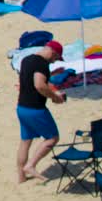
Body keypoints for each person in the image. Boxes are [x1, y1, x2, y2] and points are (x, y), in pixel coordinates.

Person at [15, 39, 66, 183]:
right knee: (52, 138)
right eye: (55, 58)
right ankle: (30, 165)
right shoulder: (42, 64)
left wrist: (52, 91)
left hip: (22, 107)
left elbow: (31, 81)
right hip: (35, 109)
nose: (54, 62)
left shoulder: (26, 59)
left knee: (25, 141)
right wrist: (54, 97)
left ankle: (21, 177)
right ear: (53, 52)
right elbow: (39, 85)